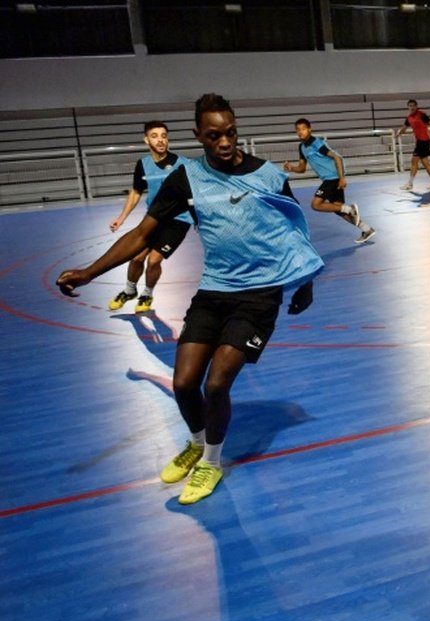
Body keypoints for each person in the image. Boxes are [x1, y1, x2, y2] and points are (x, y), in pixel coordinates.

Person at [57, 93, 324, 505]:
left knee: (217, 384)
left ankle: (212, 464)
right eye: (214, 135)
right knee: (184, 382)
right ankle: (199, 443)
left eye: (231, 132)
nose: (225, 141)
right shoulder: (186, 179)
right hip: (214, 291)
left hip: (258, 296)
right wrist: (89, 272)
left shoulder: (267, 174)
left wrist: (305, 282)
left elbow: (293, 228)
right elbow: (143, 234)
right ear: (198, 136)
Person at [107, 121, 193, 313]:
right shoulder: (143, 164)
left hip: (179, 220)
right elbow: (136, 191)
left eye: (164, 135)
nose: (160, 140)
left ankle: (147, 293)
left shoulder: (183, 164)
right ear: (146, 140)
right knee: (136, 257)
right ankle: (129, 290)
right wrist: (121, 218)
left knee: (154, 260)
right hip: (153, 218)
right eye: (155, 136)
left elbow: (196, 192)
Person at [283, 118, 376, 243]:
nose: (301, 132)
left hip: (332, 177)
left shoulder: (316, 143)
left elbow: (337, 158)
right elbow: (302, 169)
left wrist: (342, 178)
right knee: (337, 209)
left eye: (303, 129)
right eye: (298, 130)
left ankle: (349, 209)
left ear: (310, 129)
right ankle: (367, 229)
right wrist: (292, 168)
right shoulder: (302, 147)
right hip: (330, 178)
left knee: (316, 204)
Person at [394, 99, 430, 191]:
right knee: (425, 162)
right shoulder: (409, 118)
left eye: (413, 105)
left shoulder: (422, 115)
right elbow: (404, 128)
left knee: (414, 161)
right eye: (410, 106)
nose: (411, 107)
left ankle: (410, 184)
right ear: (408, 107)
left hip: (424, 141)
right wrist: (399, 134)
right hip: (419, 141)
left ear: (416, 106)